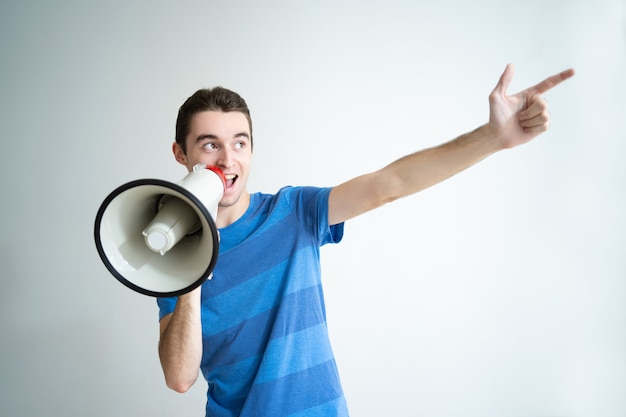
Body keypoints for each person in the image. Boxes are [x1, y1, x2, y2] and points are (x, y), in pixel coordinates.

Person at [156, 64, 575, 416]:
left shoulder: (293, 212)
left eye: (239, 143)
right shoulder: (169, 254)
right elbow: (179, 377)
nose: (227, 160)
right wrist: (196, 251)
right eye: (210, 145)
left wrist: (492, 138)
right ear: (181, 154)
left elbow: (389, 183)